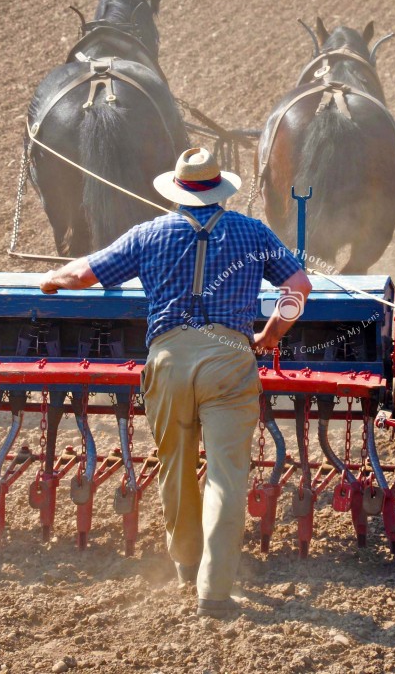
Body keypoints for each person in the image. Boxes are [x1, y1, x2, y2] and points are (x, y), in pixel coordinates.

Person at [40, 147, 311, 618]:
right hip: (229, 358)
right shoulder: (252, 232)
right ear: (220, 189)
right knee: (227, 475)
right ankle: (215, 590)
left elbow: (83, 273)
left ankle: (186, 562)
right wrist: (270, 334)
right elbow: (299, 286)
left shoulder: (149, 233)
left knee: (176, 467)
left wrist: (51, 279)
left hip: (167, 359)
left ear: (178, 191)